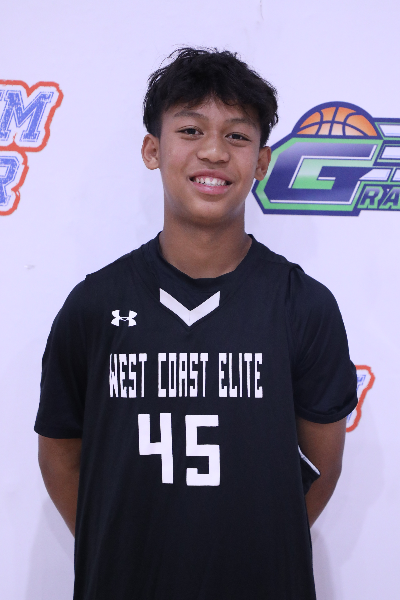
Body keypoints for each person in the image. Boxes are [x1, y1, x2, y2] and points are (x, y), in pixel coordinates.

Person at [35, 48, 357, 600]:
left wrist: (252, 550)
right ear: (152, 149)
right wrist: (124, 551)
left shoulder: (303, 305)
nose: (213, 151)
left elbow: (320, 469)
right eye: (190, 130)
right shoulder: (94, 305)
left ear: (261, 161)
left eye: (237, 135)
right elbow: (60, 454)